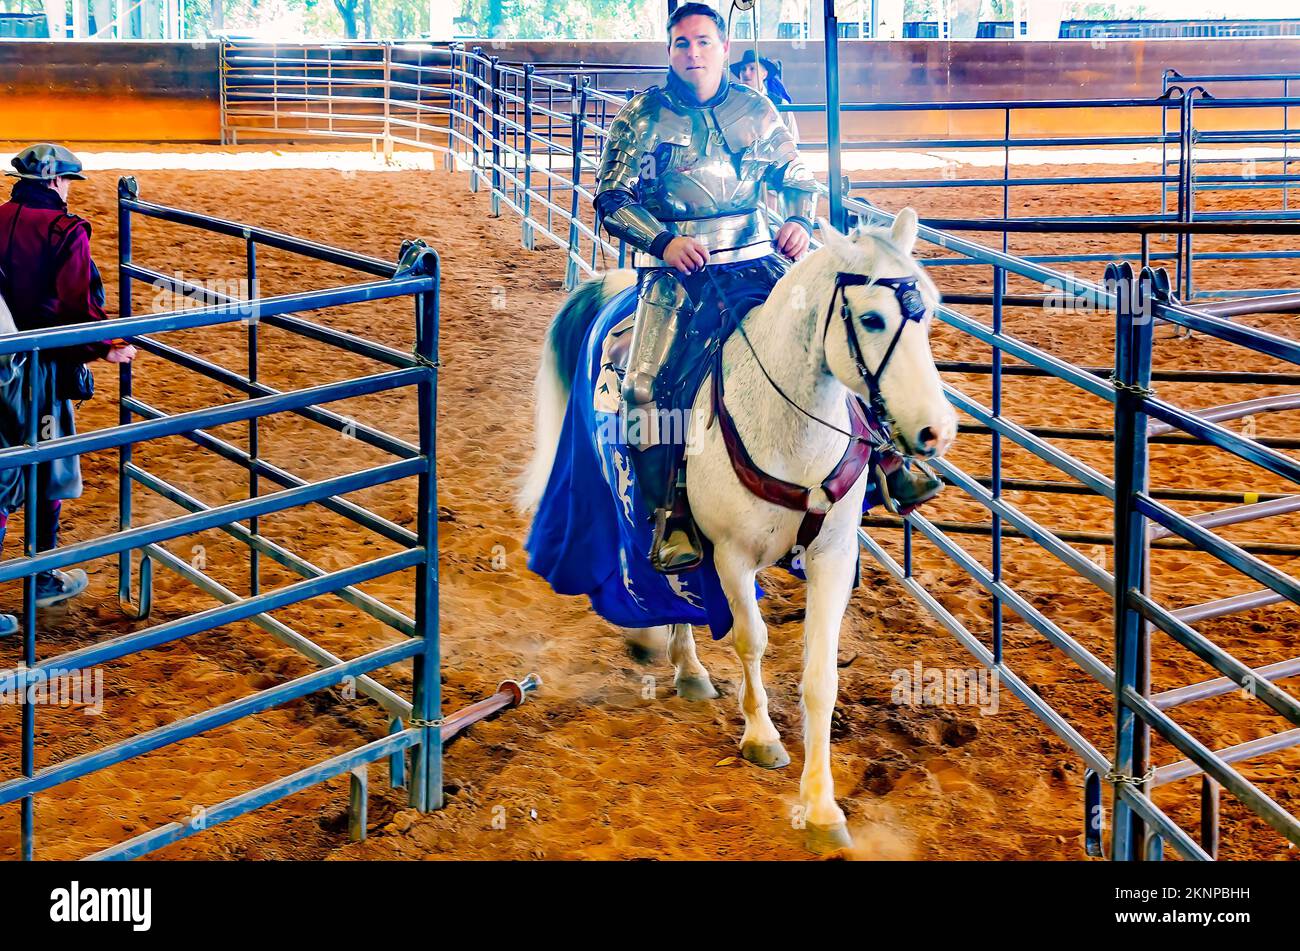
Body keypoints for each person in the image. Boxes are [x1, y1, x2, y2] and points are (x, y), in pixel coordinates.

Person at [594, 3, 937, 574]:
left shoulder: (757, 110)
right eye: (682, 44)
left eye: (704, 42)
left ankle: (885, 459)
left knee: (832, 334)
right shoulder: (642, 116)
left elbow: (795, 178)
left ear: (724, 48)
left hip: (758, 260)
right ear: (669, 51)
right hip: (677, 274)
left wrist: (800, 220)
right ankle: (670, 514)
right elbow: (611, 197)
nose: (693, 53)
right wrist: (662, 242)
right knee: (644, 390)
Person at [0, 143, 137, 636]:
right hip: (40, 369)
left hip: (0, 360)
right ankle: (38, 577)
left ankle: (37, 577)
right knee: (39, 465)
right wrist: (106, 347)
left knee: (12, 464)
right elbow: (78, 305)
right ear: (57, 183)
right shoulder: (65, 230)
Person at [730, 48, 799, 144]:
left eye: (752, 68)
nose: (746, 73)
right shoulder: (731, 103)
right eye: (743, 69)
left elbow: (792, 138)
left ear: (764, 74)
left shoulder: (780, 104)